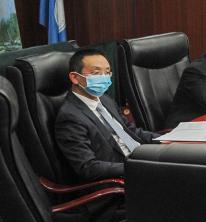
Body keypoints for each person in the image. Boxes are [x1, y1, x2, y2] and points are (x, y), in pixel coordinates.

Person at [54, 48, 158, 180]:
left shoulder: (105, 100)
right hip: (124, 175)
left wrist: (167, 139)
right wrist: (138, 167)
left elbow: (130, 131)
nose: (104, 78)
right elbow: (88, 167)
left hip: (143, 156)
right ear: (75, 77)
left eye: (107, 72)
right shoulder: (70, 117)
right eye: (96, 73)